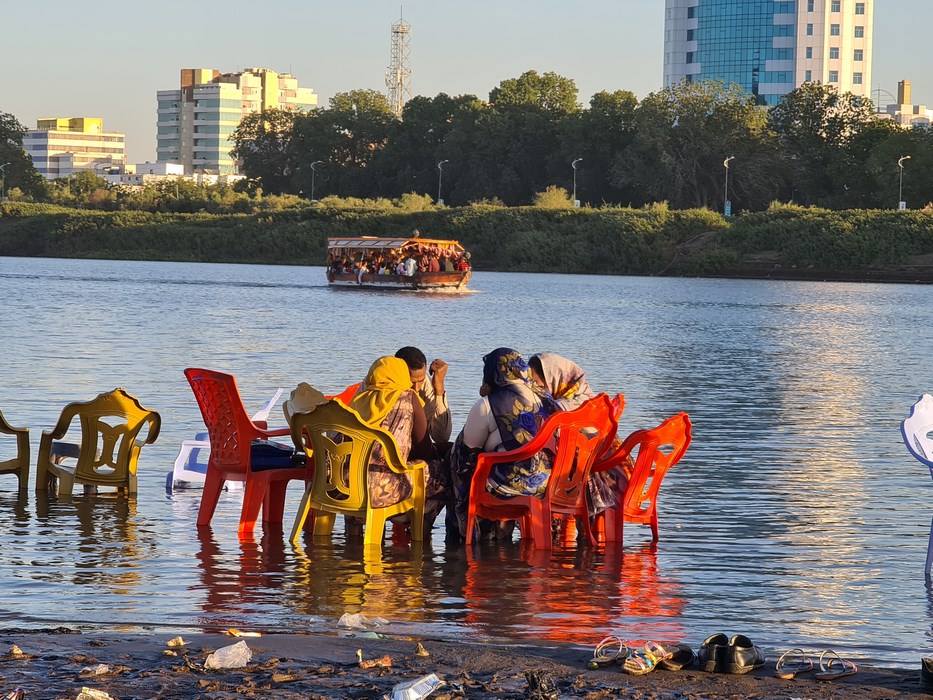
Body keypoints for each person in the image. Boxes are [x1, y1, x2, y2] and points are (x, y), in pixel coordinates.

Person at [449, 347, 561, 541]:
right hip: (551, 481)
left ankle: (465, 534)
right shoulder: (545, 397)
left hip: (510, 485)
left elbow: (468, 451)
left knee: (458, 455)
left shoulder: (488, 404)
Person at [347, 356, 448, 530]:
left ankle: (354, 534)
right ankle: (418, 532)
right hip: (382, 489)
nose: (414, 387)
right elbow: (424, 449)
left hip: (346, 484)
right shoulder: (408, 399)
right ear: (401, 374)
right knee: (442, 471)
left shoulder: (359, 400)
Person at [529, 352, 632, 517]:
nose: (533, 387)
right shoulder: (589, 400)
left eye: (536, 382)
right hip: (605, 473)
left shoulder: (561, 407)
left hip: (596, 478)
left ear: (553, 379)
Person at [395, 346, 452, 449]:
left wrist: (439, 388)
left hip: (411, 447)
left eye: (420, 381)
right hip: (395, 449)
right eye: (411, 382)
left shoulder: (425, 383)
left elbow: (441, 437)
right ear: (399, 373)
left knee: (449, 448)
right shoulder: (379, 383)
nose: (416, 388)